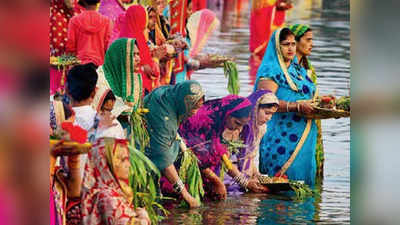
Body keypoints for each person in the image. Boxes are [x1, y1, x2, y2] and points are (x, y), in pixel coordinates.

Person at [254, 27, 318, 186]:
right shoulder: (271, 70)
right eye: (285, 44)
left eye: (293, 44)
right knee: (283, 192)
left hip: (304, 135)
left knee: (304, 190)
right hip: (282, 140)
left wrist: (324, 102)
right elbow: (264, 101)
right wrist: (296, 107)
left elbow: (305, 95)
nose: (290, 48)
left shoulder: (297, 69)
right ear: (277, 46)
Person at [179, 95, 268, 200]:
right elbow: (195, 156)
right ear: (228, 114)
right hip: (181, 160)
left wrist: (245, 183)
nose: (238, 128)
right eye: (237, 123)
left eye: (242, 126)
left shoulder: (219, 120)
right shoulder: (204, 120)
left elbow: (221, 155)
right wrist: (216, 181)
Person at [143, 80, 205, 208]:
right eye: (193, 107)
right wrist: (186, 195)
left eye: (198, 108)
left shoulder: (171, 95)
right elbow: (163, 158)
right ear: (185, 102)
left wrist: (183, 147)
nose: (195, 112)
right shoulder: (164, 117)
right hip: (141, 153)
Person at [80, 138, 150, 225]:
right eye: (123, 160)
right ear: (105, 163)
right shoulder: (108, 197)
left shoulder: (96, 192)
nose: (128, 165)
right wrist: (143, 215)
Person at [289, 24, 324, 178]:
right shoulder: (283, 68)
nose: (312, 44)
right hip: (290, 127)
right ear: (294, 42)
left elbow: (313, 98)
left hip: (311, 124)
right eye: (308, 40)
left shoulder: (309, 70)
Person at [66, 0, 113, 67]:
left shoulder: (74, 21)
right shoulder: (107, 21)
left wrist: (70, 66)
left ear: (83, 2)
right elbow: (108, 46)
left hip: (78, 66)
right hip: (99, 66)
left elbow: (70, 46)